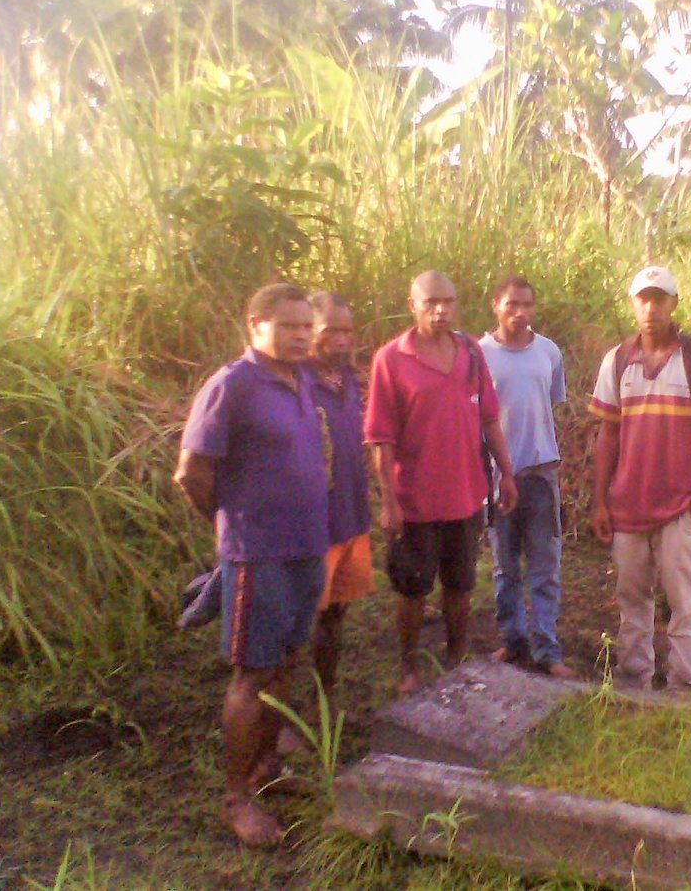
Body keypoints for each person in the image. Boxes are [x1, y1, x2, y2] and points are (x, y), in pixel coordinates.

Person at [174, 282, 328, 848]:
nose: (301, 336)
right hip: (257, 554)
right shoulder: (232, 385)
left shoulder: (303, 379)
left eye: (306, 327)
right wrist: (231, 525)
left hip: (307, 548)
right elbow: (192, 470)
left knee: (287, 661)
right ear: (254, 326)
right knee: (252, 675)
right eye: (288, 326)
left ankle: (269, 769)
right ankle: (236, 797)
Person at [365, 270, 518, 696]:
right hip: (415, 501)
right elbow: (381, 438)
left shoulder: (470, 352)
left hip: (466, 495)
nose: (441, 310)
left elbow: (489, 417)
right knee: (412, 589)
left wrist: (507, 473)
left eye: (448, 301)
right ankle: (409, 667)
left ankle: (456, 656)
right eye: (431, 302)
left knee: (461, 585)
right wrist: (389, 502)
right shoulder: (392, 360)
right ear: (412, 305)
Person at [589, 266, 691, 692]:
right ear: (633, 304)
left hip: (680, 503)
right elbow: (608, 433)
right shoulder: (616, 361)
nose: (651, 309)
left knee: (684, 599)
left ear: (674, 304)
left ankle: (686, 684)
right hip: (627, 504)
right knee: (632, 597)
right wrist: (600, 501)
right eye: (643, 299)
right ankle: (635, 677)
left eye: (660, 299)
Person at [479, 276, 573, 678]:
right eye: (512, 304)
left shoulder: (548, 353)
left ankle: (547, 649)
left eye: (528, 305)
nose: (521, 312)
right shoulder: (479, 355)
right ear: (496, 305)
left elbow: (554, 410)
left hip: (540, 473)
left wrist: (559, 470)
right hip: (499, 476)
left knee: (545, 564)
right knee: (505, 565)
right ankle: (513, 640)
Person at [305, 292, 373, 702]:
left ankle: (322, 697)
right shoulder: (296, 384)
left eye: (348, 331)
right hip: (312, 527)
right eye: (331, 330)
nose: (343, 340)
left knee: (335, 614)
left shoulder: (349, 381)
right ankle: (278, 718)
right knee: (300, 620)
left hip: (350, 517)